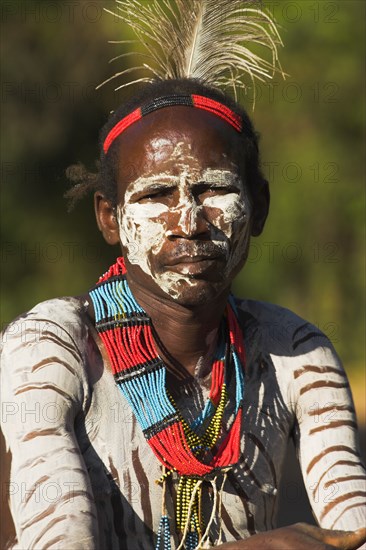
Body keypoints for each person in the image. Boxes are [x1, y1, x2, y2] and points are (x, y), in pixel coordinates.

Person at [1, 2, 366, 549]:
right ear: (110, 219)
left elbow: (352, 531)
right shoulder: (49, 348)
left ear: (259, 206)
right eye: (154, 195)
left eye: (214, 190)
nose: (188, 223)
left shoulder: (295, 352)